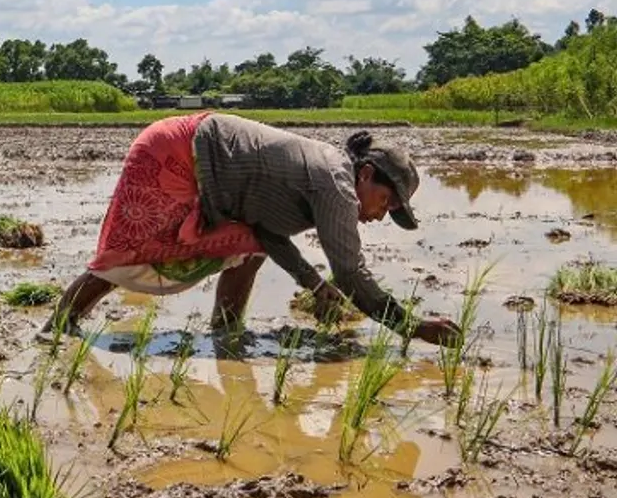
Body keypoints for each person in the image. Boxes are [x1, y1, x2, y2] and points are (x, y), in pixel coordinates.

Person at [42, 113, 460, 348]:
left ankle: (226, 332)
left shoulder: (330, 177)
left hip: (197, 161)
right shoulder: (336, 186)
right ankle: (58, 330)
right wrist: (412, 326)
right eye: (386, 202)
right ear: (366, 175)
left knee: (248, 246)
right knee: (129, 250)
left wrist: (314, 285)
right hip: (177, 152)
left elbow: (267, 234)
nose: (381, 215)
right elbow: (350, 272)